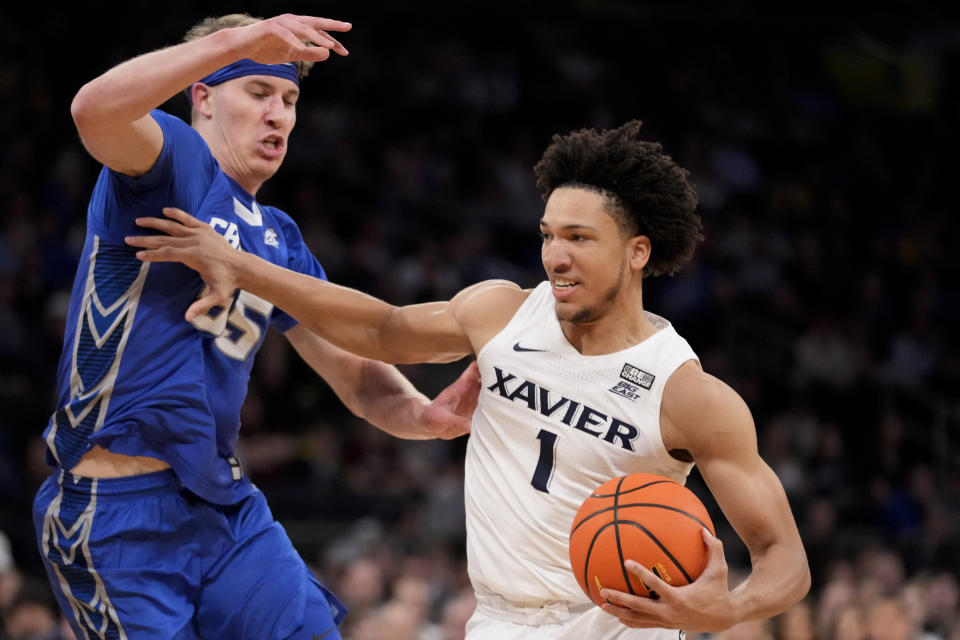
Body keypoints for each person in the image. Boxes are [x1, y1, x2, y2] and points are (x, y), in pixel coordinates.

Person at [127, 120, 811, 638]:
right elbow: (379, 330)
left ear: (637, 252)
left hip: (614, 626)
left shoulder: (689, 395)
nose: (555, 255)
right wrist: (242, 263)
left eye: (579, 238)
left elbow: (786, 560)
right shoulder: (502, 313)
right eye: (548, 234)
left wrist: (731, 604)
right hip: (497, 621)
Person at [34, 12, 481, 640]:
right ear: (204, 97)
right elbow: (92, 111)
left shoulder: (279, 238)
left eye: (291, 99)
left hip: (224, 508)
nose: (281, 116)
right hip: (117, 515)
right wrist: (233, 40)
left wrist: (419, 415)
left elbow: (354, 372)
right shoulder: (175, 166)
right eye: (260, 92)